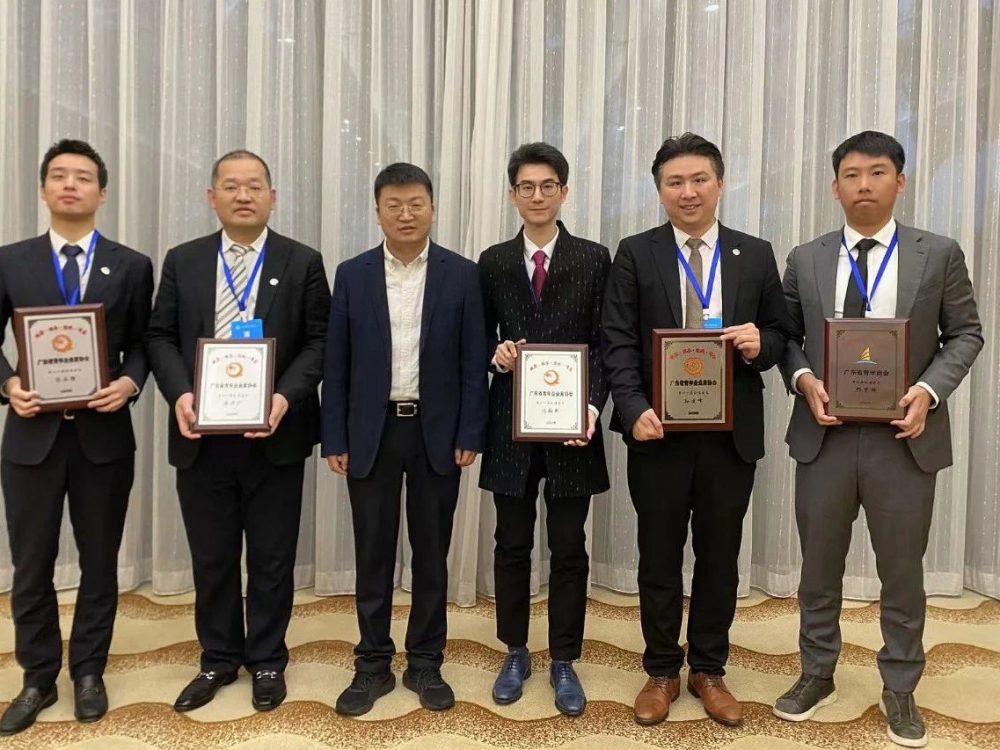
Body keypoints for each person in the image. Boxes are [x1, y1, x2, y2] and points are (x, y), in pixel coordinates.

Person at [773, 131, 982, 749]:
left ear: (900, 181)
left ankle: (900, 685)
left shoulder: (937, 253)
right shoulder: (805, 257)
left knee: (901, 570)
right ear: (835, 186)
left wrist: (929, 391)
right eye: (852, 175)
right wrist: (804, 380)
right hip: (826, 437)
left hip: (904, 439)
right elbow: (785, 336)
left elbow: (965, 333)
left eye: (878, 172)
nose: (864, 185)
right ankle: (817, 673)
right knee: (819, 567)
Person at [602, 132, 790, 727]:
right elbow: (617, 340)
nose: (688, 192)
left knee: (719, 555)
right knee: (658, 554)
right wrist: (632, 407)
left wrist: (762, 343)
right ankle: (661, 668)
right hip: (657, 432)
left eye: (699, 179)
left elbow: (782, 333)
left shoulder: (754, 253)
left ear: (720, 183)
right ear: (660, 190)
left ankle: (709, 668)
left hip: (729, 438)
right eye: (675, 182)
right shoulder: (636, 253)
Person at [145, 150, 329, 713]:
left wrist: (283, 397)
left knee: (272, 558)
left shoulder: (302, 261)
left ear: (273, 197)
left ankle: (268, 658)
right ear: (212, 197)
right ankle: (219, 657)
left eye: (254, 186)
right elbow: (159, 336)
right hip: (201, 437)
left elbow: (319, 342)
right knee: (213, 556)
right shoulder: (184, 260)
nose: (243, 195)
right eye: (231, 185)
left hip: (275, 434)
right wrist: (181, 394)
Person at [0, 139, 153, 734]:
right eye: (59, 176)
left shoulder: (131, 264)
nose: (71, 185)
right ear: (43, 189)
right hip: (31, 438)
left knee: (99, 560)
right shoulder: (11, 261)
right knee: (31, 563)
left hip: (103, 437)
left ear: (101, 193)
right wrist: (9, 383)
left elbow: (143, 343)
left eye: (83, 177)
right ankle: (37, 676)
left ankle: (89, 670)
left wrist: (130, 383)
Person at [322, 162, 487, 717]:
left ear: (432, 209)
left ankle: (425, 661)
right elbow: (336, 363)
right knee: (372, 552)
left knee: (431, 553)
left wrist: (470, 430)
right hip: (370, 431)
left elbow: (473, 362)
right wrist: (334, 435)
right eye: (394, 205)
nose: (406, 214)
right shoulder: (352, 274)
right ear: (378, 212)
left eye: (416, 203)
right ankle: (372, 663)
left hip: (437, 433)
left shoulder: (462, 275)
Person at [477, 142, 611, 716]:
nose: (537, 195)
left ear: (564, 191)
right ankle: (514, 650)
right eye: (526, 187)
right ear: (513, 195)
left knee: (568, 547)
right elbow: (477, 338)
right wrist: (497, 354)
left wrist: (593, 406)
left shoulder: (594, 258)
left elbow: (605, 343)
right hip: (510, 425)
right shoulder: (492, 261)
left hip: (572, 428)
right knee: (510, 544)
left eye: (547, 185)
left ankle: (563, 658)